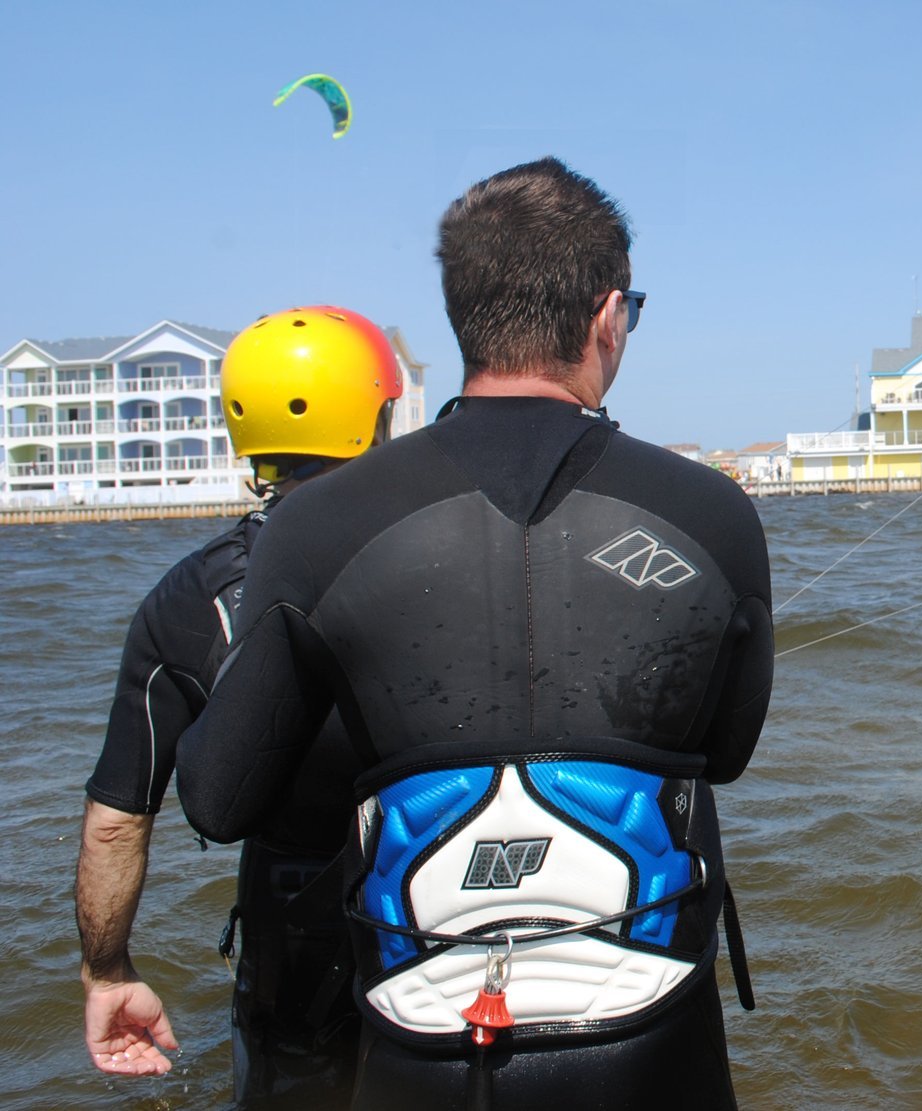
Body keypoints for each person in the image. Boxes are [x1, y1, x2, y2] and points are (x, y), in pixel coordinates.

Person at [178, 157, 774, 1110]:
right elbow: (726, 751)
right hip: (653, 1036)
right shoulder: (711, 514)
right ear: (607, 313)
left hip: (422, 1042)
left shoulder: (317, 524)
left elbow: (219, 797)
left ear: (464, 315)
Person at [75, 305, 404, 1106]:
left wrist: (105, 971)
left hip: (288, 921)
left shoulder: (187, 597)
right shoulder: (437, 561)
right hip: (431, 902)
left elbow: (117, 817)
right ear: (379, 417)